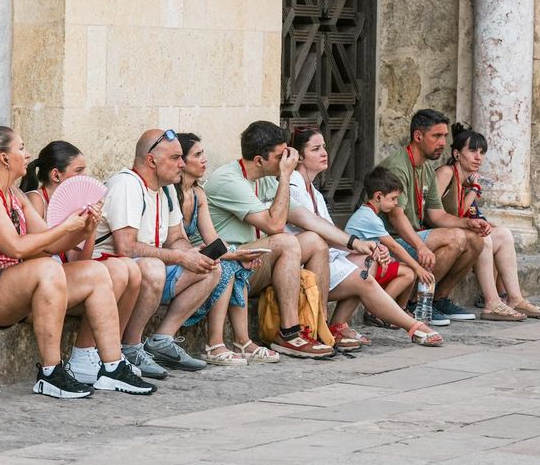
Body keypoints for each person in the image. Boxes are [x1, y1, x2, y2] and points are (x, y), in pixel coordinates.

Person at [0, 126, 155, 398]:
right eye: (20, 148)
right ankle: (50, 373)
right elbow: (15, 246)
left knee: (96, 271)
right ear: (5, 159)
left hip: (8, 284)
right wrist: (67, 226)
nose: (27, 154)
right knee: (47, 268)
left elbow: (51, 244)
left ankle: (112, 367)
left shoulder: (15, 194)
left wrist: (85, 228)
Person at [204, 120, 381, 357]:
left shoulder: (265, 177)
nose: (290, 160)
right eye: (281, 156)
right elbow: (275, 225)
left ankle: (316, 325)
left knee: (315, 240)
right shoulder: (229, 180)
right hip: (229, 262)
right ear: (259, 160)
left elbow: (309, 219)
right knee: (286, 240)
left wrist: (354, 242)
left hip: (254, 260)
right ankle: (289, 333)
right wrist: (286, 176)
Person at [288, 128, 443, 346]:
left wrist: (368, 247)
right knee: (364, 278)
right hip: (305, 265)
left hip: (324, 260)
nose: (324, 153)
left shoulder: (315, 192)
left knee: (368, 260)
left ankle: (338, 325)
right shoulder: (293, 186)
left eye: (324, 147)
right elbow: (319, 233)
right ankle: (413, 326)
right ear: (300, 157)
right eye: (316, 149)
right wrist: (357, 244)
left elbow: (332, 238)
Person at [92, 129, 220, 377]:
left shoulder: (167, 189)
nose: (182, 165)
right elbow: (126, 248)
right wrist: (181, 257)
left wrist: (193, 254)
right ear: (151, 161)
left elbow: (176, 239)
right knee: (153, 267)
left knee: (211, 268)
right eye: (175, 158)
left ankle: (162, 340)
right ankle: (130, 346)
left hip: (148, 270)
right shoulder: (127, 185)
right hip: (114, 271)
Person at [20, 140, 145, 384]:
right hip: (43, 286)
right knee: (111, 271)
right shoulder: (36, 200)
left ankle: (104, 354)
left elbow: (81, 261)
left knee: (126, 267)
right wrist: (69, 229)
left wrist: (90, 229)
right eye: (79, 171)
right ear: (56, 174)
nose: (85, 177)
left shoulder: (76, 207)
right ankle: (84, 354)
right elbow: (38, 252)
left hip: (66, 278)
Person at [175, 133, 280, 365]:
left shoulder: (198, 193)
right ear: (180, 161)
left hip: (199, 251)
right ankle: (214, 344)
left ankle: (242, 341)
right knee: (224, 264)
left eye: (203, 154)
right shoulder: (171, 194)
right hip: (176, 256)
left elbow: (212, 238)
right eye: (197, 155)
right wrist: (228, 255)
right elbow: (175, 242)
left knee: (235, 263)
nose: (204, 160)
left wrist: (237, 254)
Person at [378, 109, 486, 325]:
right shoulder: (397, 166)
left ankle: (438, 298)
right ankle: (417, 302)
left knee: (475, 239)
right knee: (455, 238)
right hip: (390, 243)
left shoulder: (426, 167)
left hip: (413, 235)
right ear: (418, 137)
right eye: (436, 136)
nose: (443, 143)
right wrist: (420, 246)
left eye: (445, 136)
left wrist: (469, 222)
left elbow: (436, 214)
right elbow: (396, 216)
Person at [434, 123, 540, 320]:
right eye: (472, 150)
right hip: (442, 235)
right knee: (483, 238)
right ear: (456, 154)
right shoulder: (446, 173)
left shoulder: (464, 181)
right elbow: (435, 215)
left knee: (503, 234)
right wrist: (474, 191)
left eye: (482, 152)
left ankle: (514, 298)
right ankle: (492, 303)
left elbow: (464, 213)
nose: (478, 157)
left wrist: (473, 192)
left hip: (458, 231)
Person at [344, 167, 436, 324]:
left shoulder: (369, 214)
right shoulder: (369, 217)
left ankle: (399, 310)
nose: (396, 203)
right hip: (357, 268)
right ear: (378, 196)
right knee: (409, 272)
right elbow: (394, 247)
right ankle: (377, 312)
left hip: (367, 264)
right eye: (393, 198)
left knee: (406, 268)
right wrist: (418, 268)